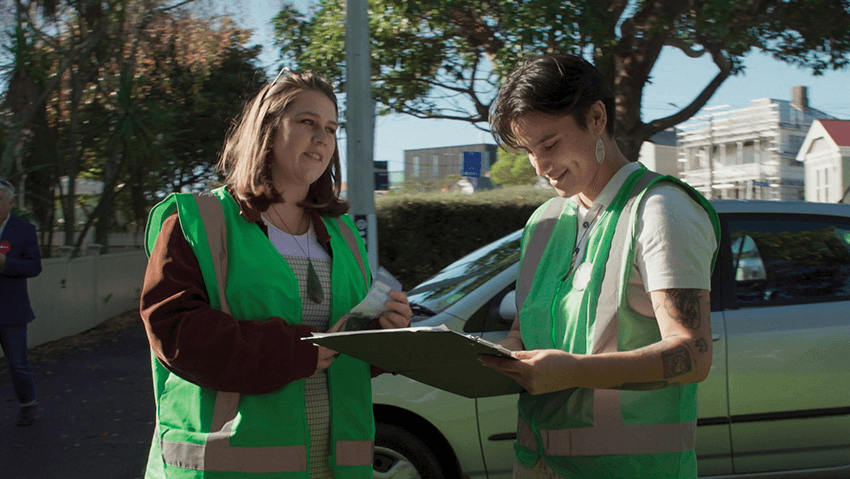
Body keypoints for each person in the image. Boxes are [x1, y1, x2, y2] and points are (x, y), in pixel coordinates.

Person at [140, 70, 412, 478]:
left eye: (331, 128)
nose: (322, 138)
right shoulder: (196, 220)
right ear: (267, 129)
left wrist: (383, 333)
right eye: (307, 122)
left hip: (336, 467)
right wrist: (295, 352)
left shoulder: (343, 233)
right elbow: (176, 334)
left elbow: (341, 350)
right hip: (230, 469)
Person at [479, 54, 721, 479]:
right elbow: (524, 331)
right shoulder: (544, 222)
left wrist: (573, 371)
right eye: (529, 151)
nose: (540, 167)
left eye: (549, 145)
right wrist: (497, 358)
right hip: (534, 465)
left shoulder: (662, 210)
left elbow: (692, 355)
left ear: (596, 117)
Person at [0, 178, 43, 427]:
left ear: (11, 202)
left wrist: (6, 264)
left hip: (12, 309)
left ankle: (28, 405)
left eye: (0, 200)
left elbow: (34, 266)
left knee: (18, 363)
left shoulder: (24, 229)